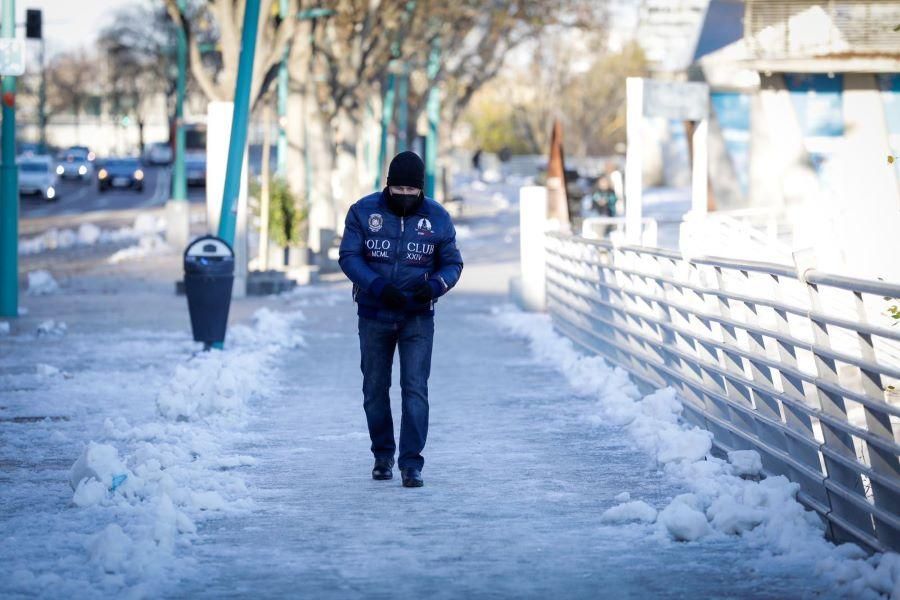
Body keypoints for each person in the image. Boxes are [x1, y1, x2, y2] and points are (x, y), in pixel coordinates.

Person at [338, 151, 464, 488]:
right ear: (388, 185)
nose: (405, 197)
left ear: (421, 190)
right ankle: (382, 455)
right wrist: (377, 286)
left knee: (415, 389)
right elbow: (349, 256)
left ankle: (411, 464)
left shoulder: (437, 217)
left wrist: (436, 285)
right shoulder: (363, 212)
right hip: (375, 313)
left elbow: (453, 264)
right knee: (375, 389)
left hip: (417, 318)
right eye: (399, 190)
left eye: (412, 191)